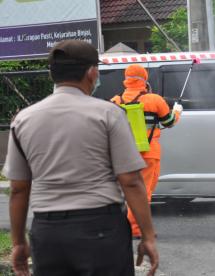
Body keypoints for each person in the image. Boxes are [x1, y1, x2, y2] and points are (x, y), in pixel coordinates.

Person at [3, 40, 158, 276]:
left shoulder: (23, 120)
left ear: (51, 74)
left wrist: (19, 244)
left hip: (48, 233)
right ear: (91, 72)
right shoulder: (108, 114)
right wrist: (147, 236)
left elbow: (18, 190)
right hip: (102, 230)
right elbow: (131, 181)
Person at [111, 64, 181, 239]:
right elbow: (169, 122)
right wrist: (177, 112)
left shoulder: (115, 101)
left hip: (123, 154)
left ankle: (125, 225)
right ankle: (136, 229)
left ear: (126, 79)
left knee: (127, 192)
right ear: (144, 79)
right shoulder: (154, 100)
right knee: (143, 193)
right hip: (148, 154)